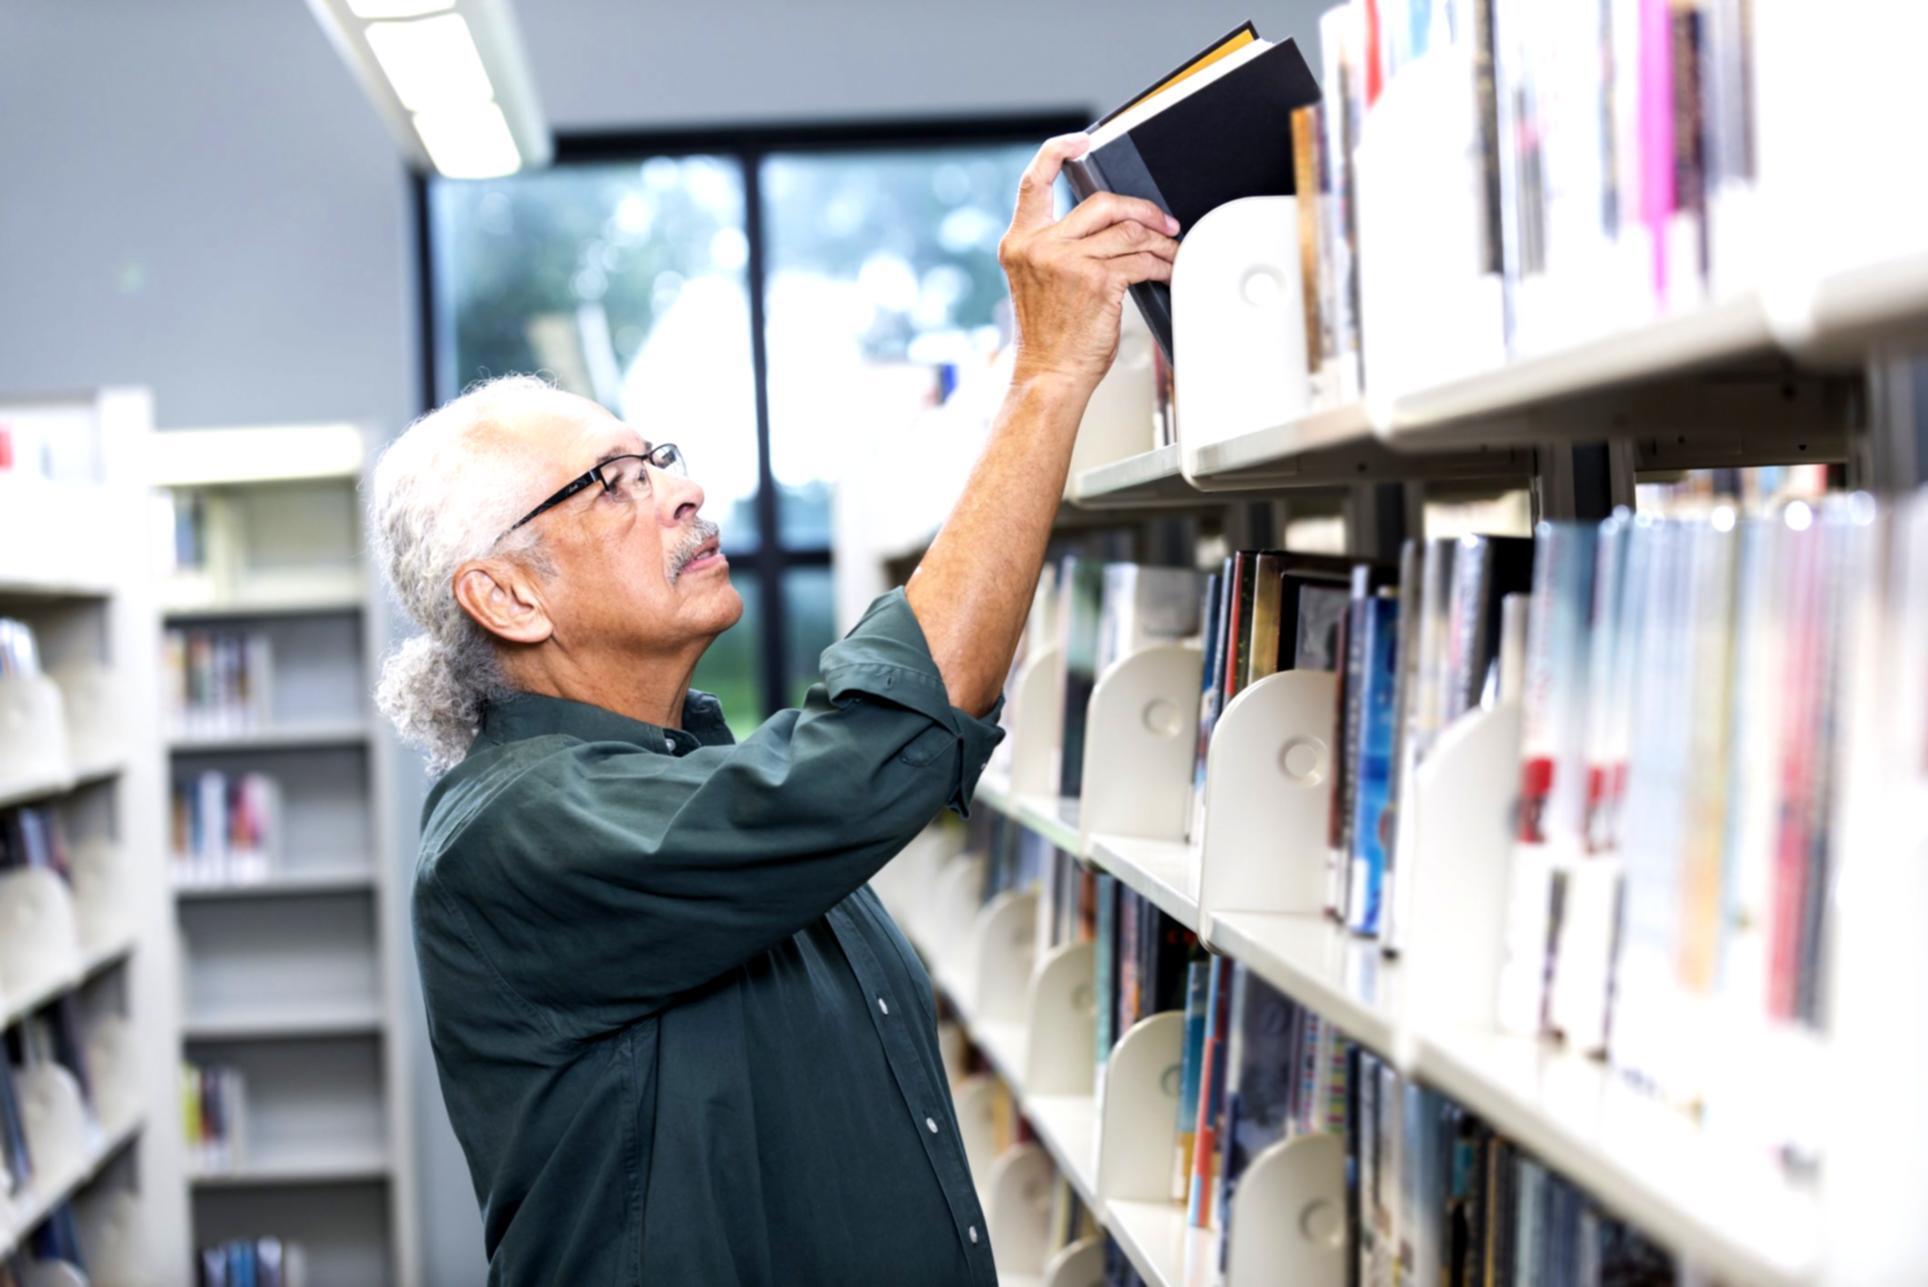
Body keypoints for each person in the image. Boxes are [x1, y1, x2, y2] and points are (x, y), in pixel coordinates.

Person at [369, 134, 1179, 1285]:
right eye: (616, 484)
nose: (686, 489)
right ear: (506, 595)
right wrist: (1045, 379)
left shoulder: (683, 771)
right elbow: (874, 751)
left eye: (658, 458)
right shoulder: (514, 835)